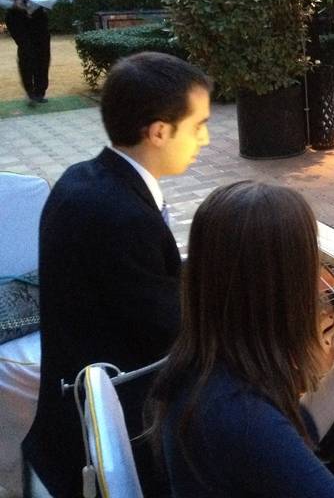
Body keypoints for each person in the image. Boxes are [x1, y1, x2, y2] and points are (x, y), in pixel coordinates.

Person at [22, 52, 212, 497]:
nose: (205, 138)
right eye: (199, 124)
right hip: (111, 438)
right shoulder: (121, 216)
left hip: (71, 408)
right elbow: (176, 338)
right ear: (160, 132)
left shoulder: (83, 178)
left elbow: (138, 284)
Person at [147, 181, 334, 497]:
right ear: (280, 293)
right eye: (309, 269)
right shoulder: (238, 416)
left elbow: (303, 427)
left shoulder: (209, 369)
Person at [0, 0, 55, 105]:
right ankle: (30, 91)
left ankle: (40, 91)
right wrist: (12, 4)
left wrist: (37, 5)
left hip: (38, 18)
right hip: (17, 19)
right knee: (26, 51)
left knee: (43, 53)